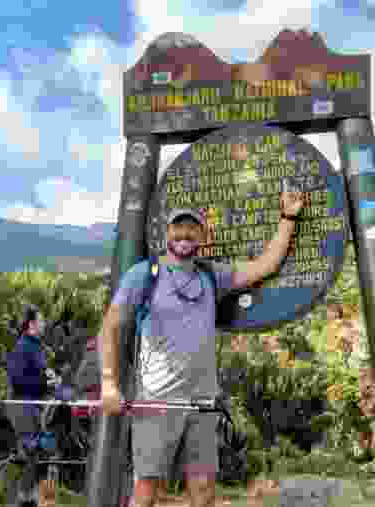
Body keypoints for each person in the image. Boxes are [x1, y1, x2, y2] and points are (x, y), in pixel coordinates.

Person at [99, 192, 305, 507]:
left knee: (204, 494)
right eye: (178, 228)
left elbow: (265, 266)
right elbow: (109, 328)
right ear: (167, 234)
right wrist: (109, 382)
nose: (184, 234)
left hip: (202, 403)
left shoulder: (211, 276)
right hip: (157, 401)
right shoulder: (144, 274)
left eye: (192, 228)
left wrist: (288, 218)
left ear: (202, 236)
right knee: (145, 493)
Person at [4, 304, 52, 507]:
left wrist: (49, 377)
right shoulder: (23, 346)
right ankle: (22, 499)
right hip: (22, 406)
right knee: (32, 453)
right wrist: (44, 382)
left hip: (33, 405)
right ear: (32, 324)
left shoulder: (36, 346)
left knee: (39, 454)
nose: (45, 323)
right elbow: (17, 380)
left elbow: (37, 374)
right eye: (41, 320)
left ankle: (30, 498)